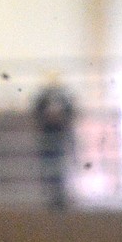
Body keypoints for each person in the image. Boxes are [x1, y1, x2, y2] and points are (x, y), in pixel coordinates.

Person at [32, 74, 76, 210]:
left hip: (60, 137)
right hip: (48, 137)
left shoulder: (64, 97)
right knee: (49, 167)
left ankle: (60, 197)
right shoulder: (43, 98)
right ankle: (51, 197)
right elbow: (37, 113)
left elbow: (70, 113)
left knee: (61, 167)